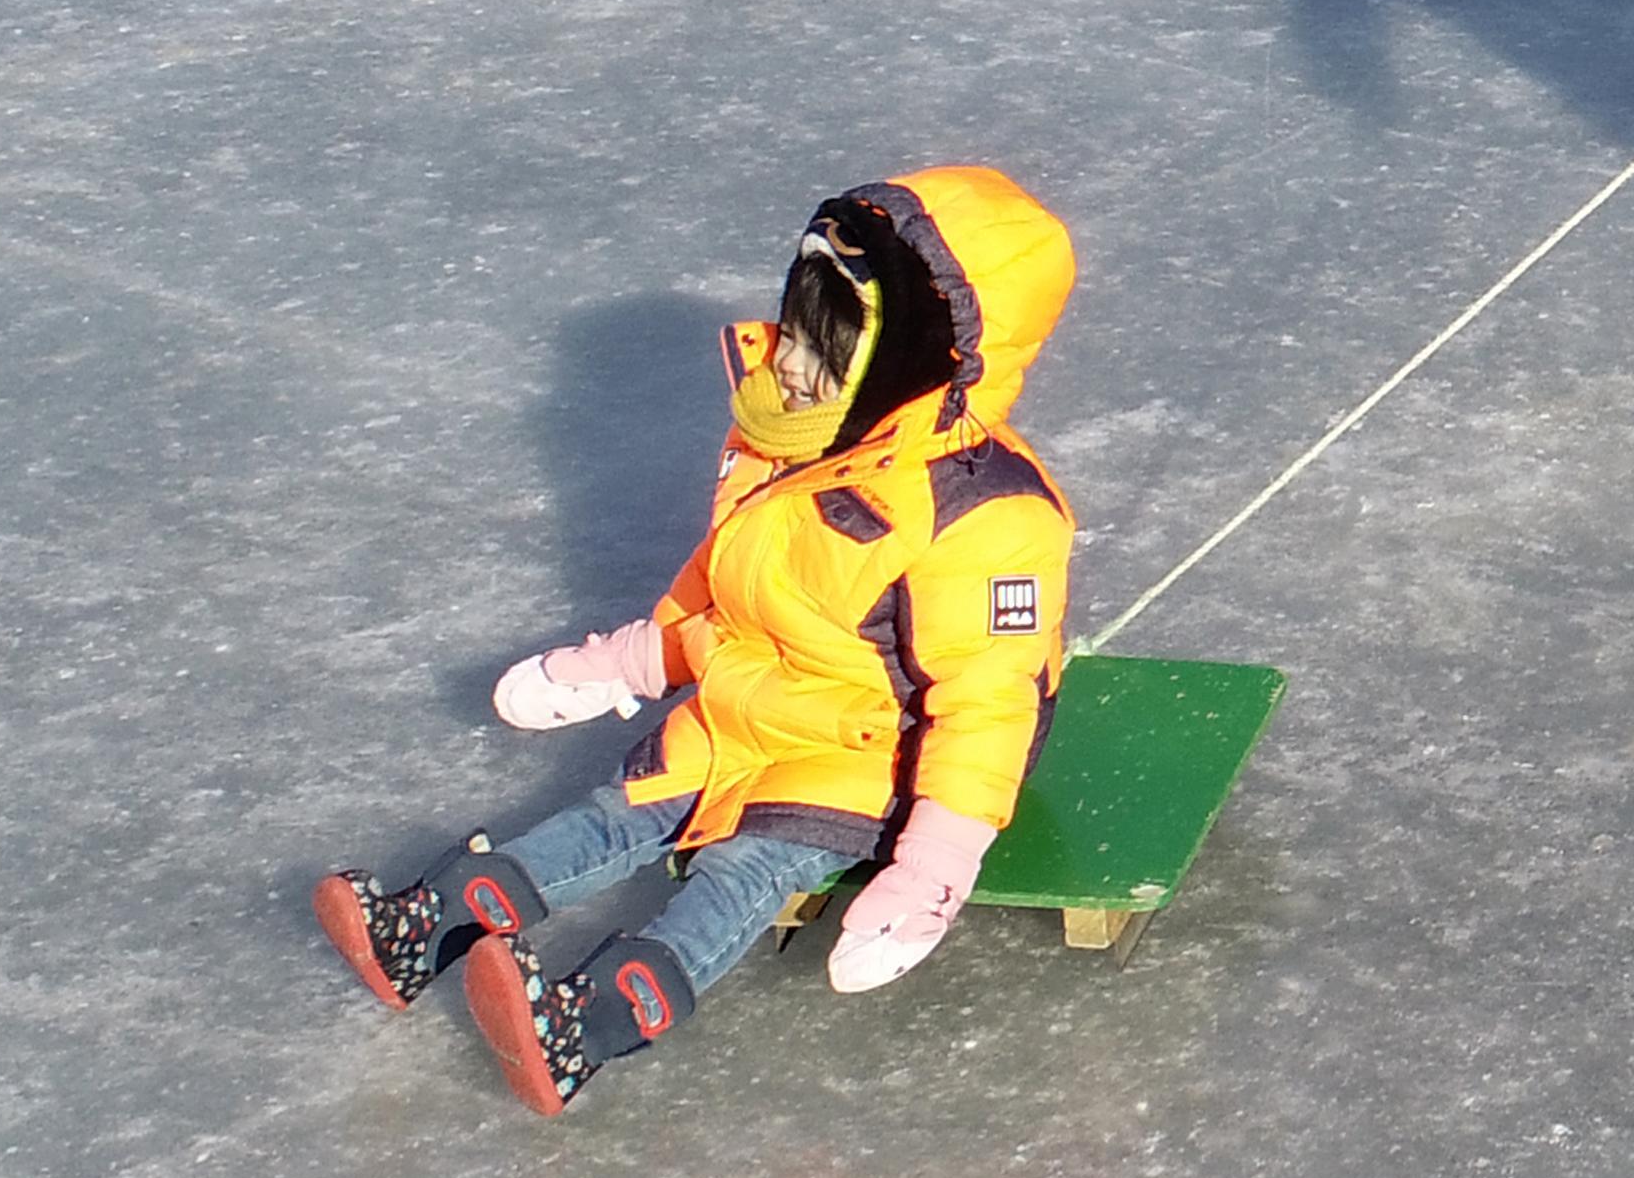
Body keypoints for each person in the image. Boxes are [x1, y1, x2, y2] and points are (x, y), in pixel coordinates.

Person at [310, 166, 1080, 1115]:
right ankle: (433, 924)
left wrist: (932, 871)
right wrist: (618, 666)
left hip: (861, 758)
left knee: (740, 870)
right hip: (736, 712)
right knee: (613, 812)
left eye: (823, 353)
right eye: (796, 331)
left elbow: (988, 708)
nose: (789, 366)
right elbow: (719, 592)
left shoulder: (985, 517)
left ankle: (585, 1025)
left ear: (912, 365)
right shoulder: (788, 439)